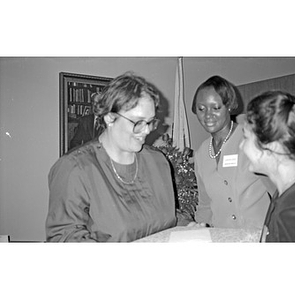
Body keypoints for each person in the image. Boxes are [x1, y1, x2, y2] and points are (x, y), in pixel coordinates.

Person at [46, 72, 192, 242]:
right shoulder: (75, 168)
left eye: (151, 121)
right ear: (110, 118)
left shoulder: (158, 161)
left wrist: (188, 226)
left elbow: (167, 217)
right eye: (138, 122)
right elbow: (64, 237)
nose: (146, 131)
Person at [190, 75, 275, 229]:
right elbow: (205, 205)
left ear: (229, 106)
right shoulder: (201, 153)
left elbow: (279, 193)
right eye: (201, 109)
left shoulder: (251, 140)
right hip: (221, 239)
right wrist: (198, 230)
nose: (208, 115)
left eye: (216, 108)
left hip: (258, 237)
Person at [240, 91, 295, 242]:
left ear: (271, 147)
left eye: (246, 138)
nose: (241, 146)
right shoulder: (283, 194)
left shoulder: (292, 213)